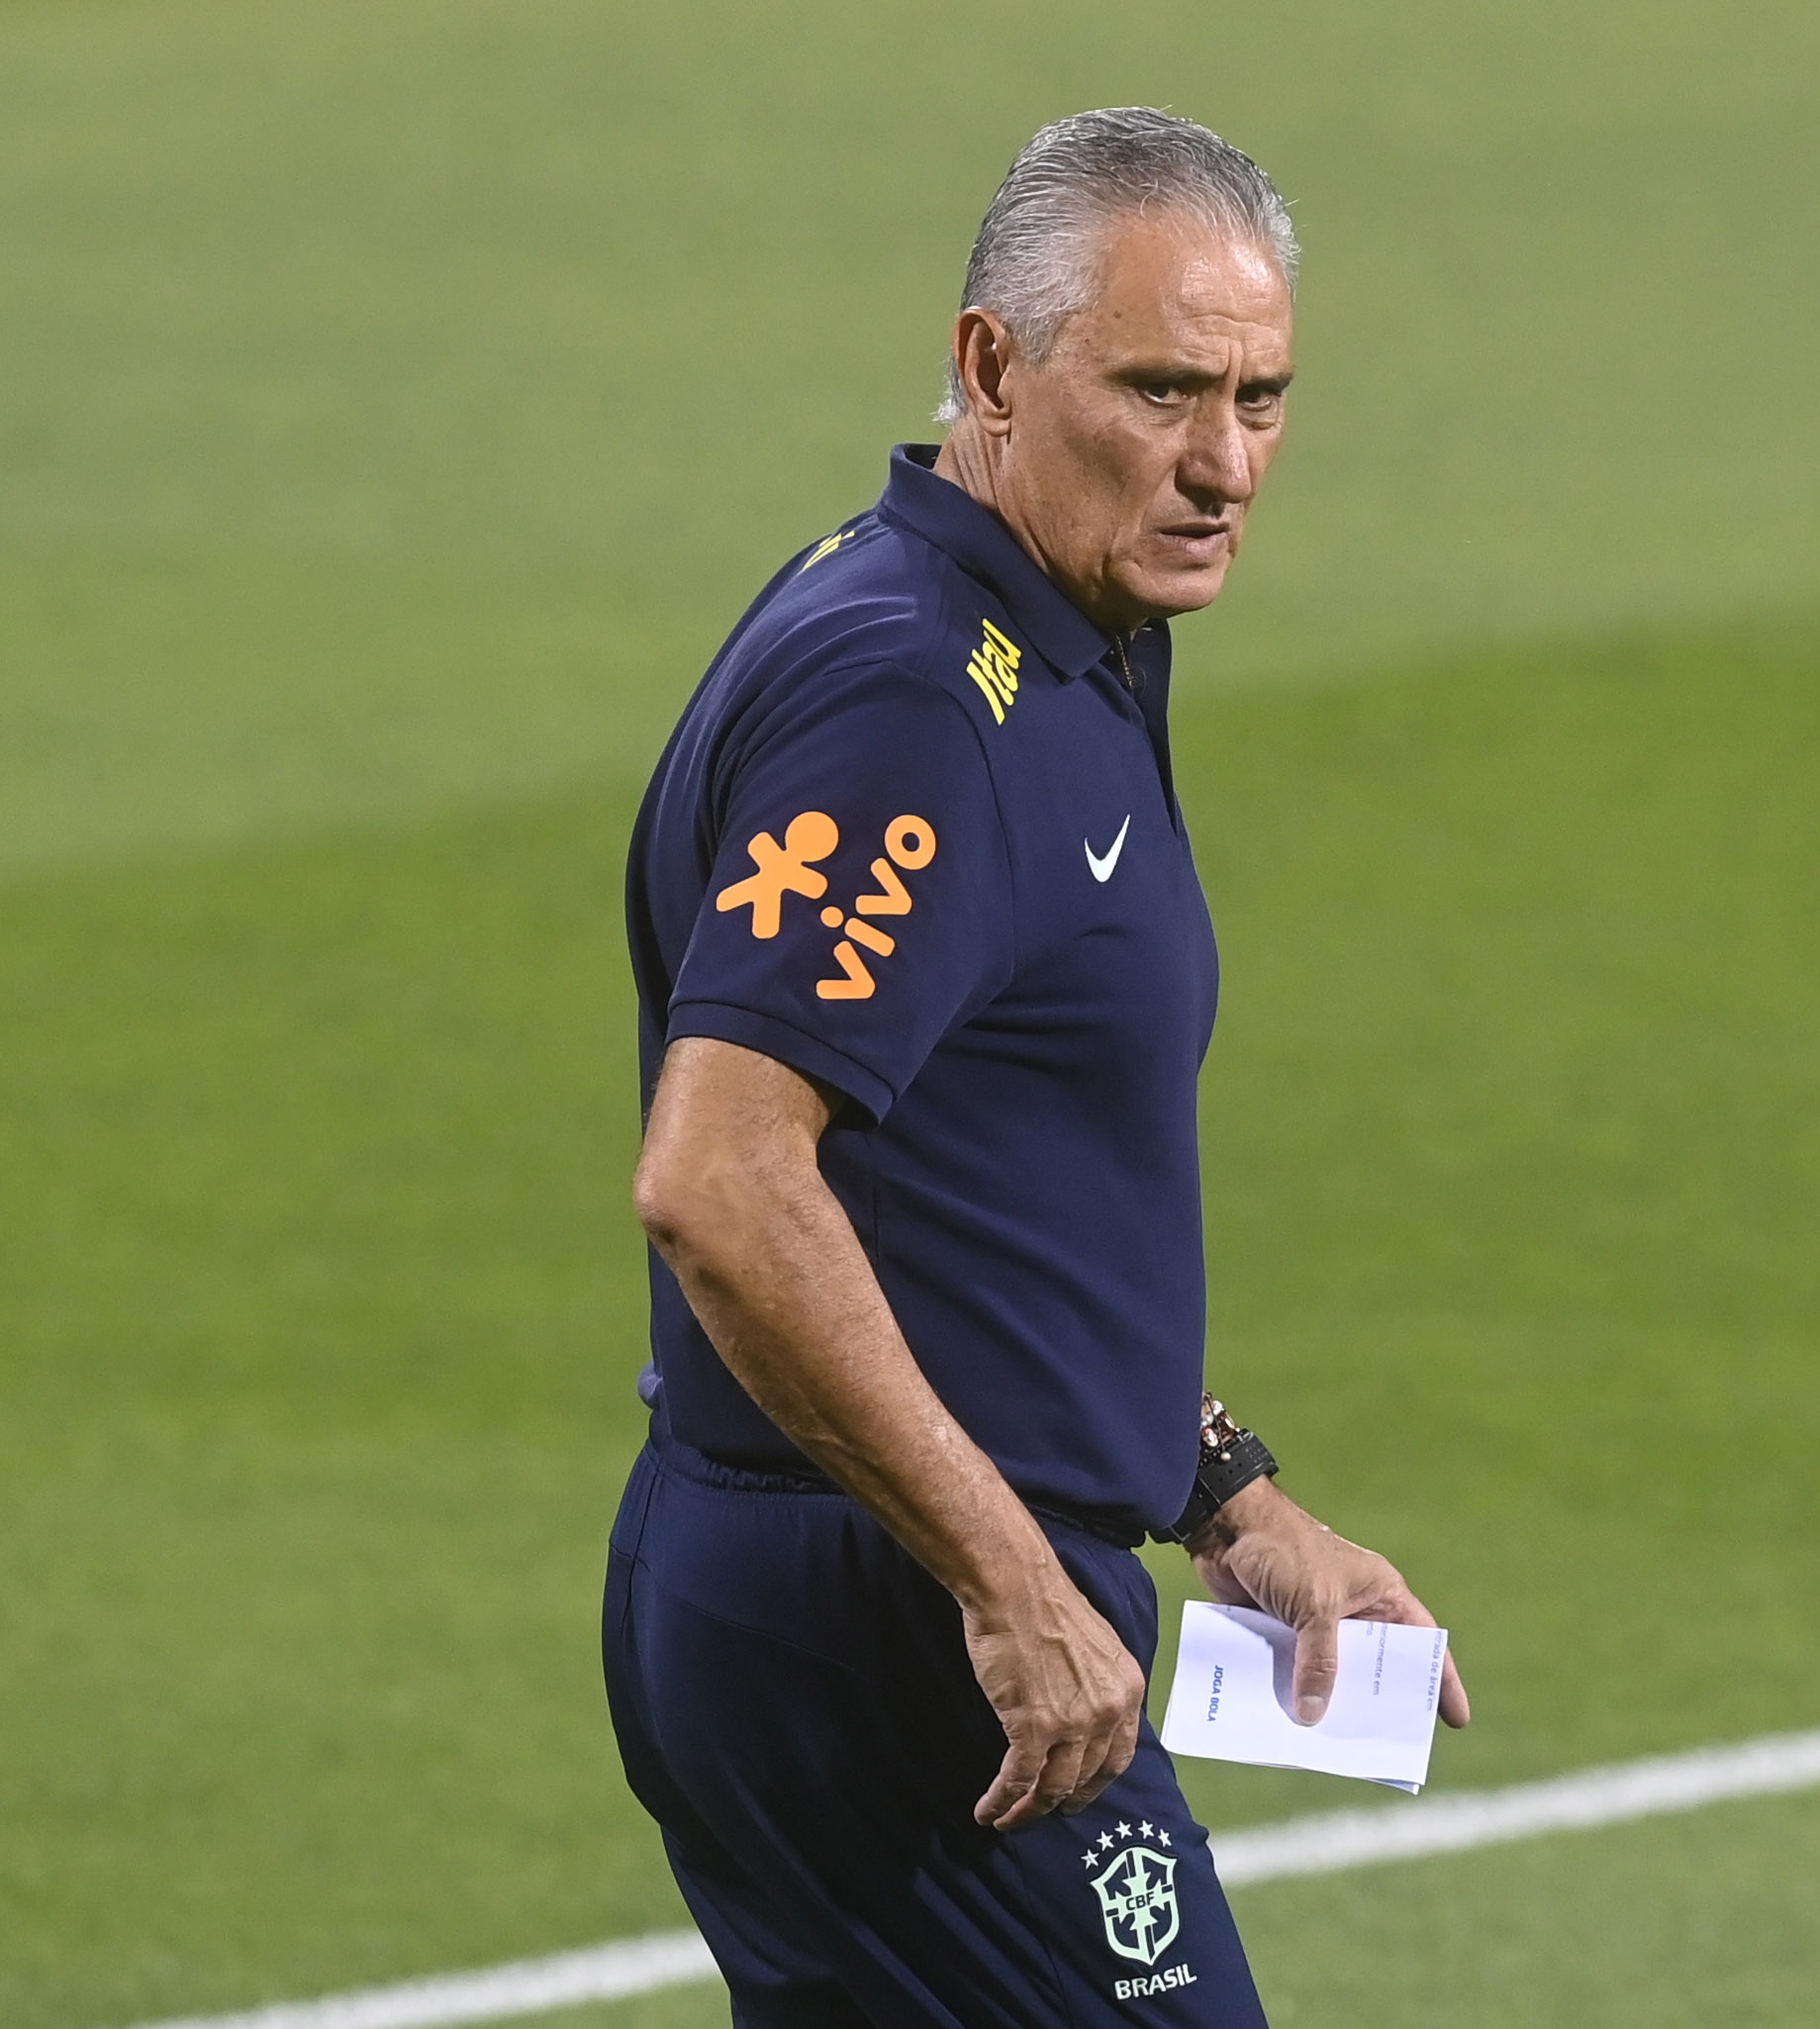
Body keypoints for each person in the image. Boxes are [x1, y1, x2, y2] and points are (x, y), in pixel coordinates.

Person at [606, 107, 1468, 2028]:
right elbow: (720, 1177)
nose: (1221, 462)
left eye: (1259, 397)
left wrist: (1224, 1490)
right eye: (1160, 391)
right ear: (991, 366)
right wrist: (1006, 1580)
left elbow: (979, 1201)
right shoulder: (915, 694)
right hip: (902, 1622)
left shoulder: (1045, 634)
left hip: (843, 1581)